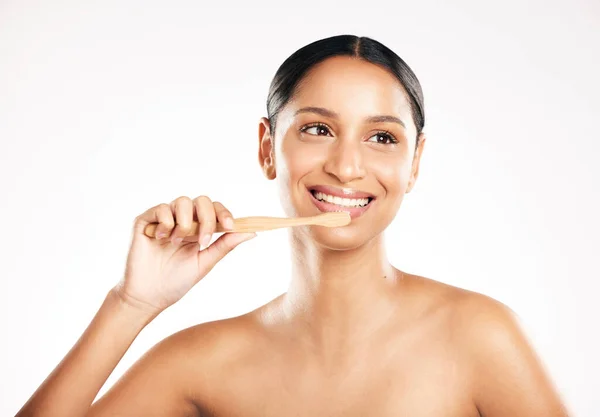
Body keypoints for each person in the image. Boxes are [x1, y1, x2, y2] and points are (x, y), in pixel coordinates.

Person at [16, 34, 569, 417]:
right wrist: (130, 304)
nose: (347, 167)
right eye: (317, 130)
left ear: (415, 162)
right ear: (267, 148)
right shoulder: (200, 364)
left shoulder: (482, 339)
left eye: (382, 138)